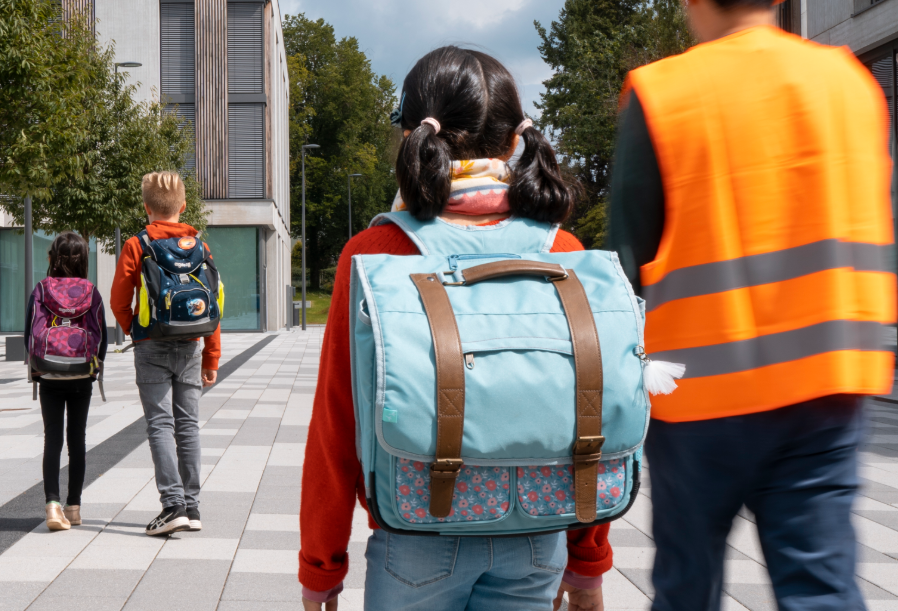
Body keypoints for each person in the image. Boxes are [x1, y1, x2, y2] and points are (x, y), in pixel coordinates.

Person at [299, 46, 613, 611]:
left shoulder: (374, 253)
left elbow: (336, 422)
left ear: (411, 134)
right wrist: (587, 562)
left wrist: (321, 565)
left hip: (416, 534)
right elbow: (591, 405)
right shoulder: (563, 250)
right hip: (538, 534)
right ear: (515, 141)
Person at [609, 0, 896, 609]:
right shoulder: (851, 82)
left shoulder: (662, 94)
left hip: (700, 396)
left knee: (687, 587)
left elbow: (626, 262)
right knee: (822, 590)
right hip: (827, 385)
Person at [111, 171, 220, 536]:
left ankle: (172, 506)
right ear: (183, 206)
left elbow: (118, 300)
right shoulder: (200, 246)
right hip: (190, 346)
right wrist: (212, 356)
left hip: (151, 345)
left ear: (146, 207)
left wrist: (136, 330)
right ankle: (192, 507)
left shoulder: (136, 244)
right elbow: (212, 304)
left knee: (160, 424)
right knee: (188, 426)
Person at [25, 231, 107, 532]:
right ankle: (73, 507)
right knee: (77, 440)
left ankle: (52, 505)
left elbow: (29, 332)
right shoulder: (91, 291)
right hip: (81, 374)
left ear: (52, 259)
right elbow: (101, 334)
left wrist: (36, 369)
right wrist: (95, 370)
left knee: (53, 439)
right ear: (84, 260)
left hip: (49, 372)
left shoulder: (42, 289)